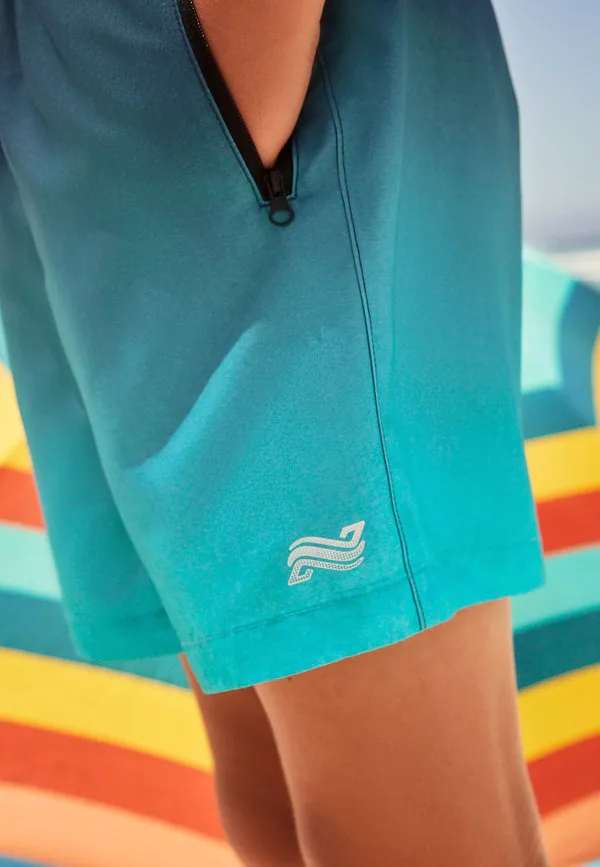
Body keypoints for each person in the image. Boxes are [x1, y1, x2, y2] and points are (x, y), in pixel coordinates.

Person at [0, 0, 550, 864]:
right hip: (87, 112)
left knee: (407, 808)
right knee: (266, 746)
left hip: (225, 94)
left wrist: (229, 114)